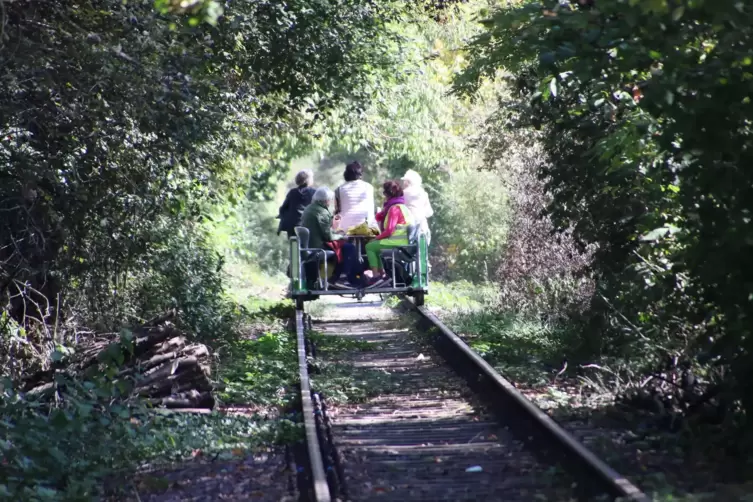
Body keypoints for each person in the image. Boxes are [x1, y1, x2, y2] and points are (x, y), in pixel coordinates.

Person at [301, 187, 361, 288]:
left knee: (344, 246)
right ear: (327, 200)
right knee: (349, 248)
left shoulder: (309, 208)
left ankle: (335, 278)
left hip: (308, 245)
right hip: (318, 246)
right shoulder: (322, 212)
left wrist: (335, 228)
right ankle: (344, 277)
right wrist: (342, 236)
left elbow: (323, 230)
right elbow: (328, 236)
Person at [364, 181, 415, 287]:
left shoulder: (394, 209)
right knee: (375, 248)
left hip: (397, 242)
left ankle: (375, 276)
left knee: (369, 246)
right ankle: (383, 275)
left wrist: (376, 238)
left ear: (387, 195)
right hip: (404, 241)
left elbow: (389, 231)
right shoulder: (403, 207)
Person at [334, 161, 376, 232]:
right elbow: (371, 207)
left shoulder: (339, 189)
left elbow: (337, 209)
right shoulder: (369, 187)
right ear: (360, 174)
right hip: (367, 227)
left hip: (345, 228)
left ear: (346, 174)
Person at [277, 169, 315, 238]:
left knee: (294, 246)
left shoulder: (292, 192)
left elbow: (283, 208)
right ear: (308, 180)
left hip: (293, 226)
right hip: (308, 225)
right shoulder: (314, 192)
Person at [401, 169, 434, 246]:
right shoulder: (423, 193)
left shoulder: (402, 193)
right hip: (422, 229)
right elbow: (429, 213)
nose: (403, 183)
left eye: (404, 181)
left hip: (406, 230)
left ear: (408, 182)